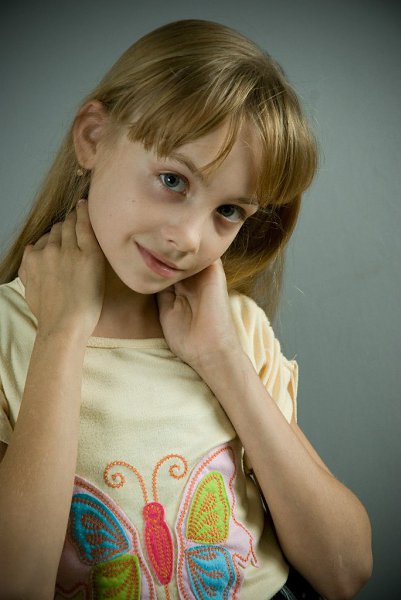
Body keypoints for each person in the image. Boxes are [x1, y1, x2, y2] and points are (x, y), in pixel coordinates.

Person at [0, 19, 372, 600]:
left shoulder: (234, 330)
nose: (189, 238)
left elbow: (345, 570)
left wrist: (223, 358)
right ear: (93, 138)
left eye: (229, 211)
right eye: (173, 179)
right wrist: (61, 335)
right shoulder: (10, 331)